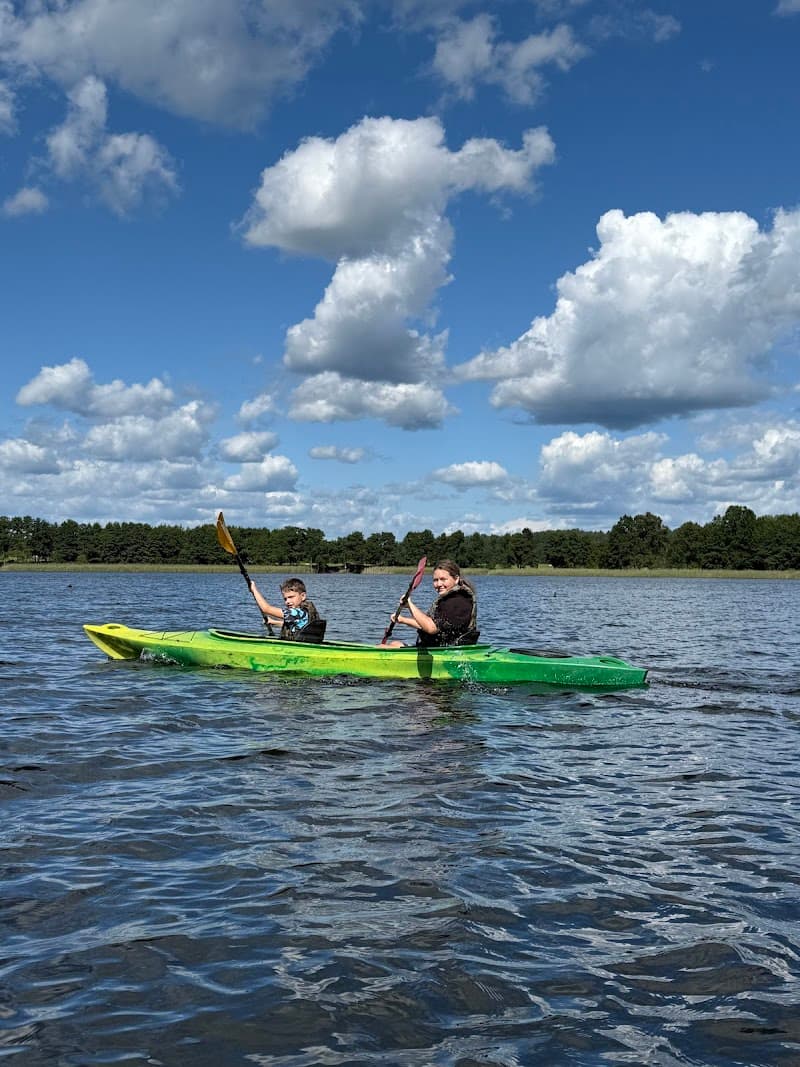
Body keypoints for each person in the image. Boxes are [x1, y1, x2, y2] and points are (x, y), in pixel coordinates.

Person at [390, 559, 479, 647]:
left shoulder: (458, 601)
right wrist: (403, 620)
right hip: (439, 648)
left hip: (450, 652)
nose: (439, 584)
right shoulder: (449, 599)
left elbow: (431, 628)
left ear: (456, 579)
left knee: (386, 647)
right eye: (435, 580)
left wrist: (410, 605)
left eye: (443, 579)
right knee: (395, 644)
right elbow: (428, 624)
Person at [248, 577, 326, 643]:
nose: (287, 602)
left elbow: (266, 609)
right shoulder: (304, 612)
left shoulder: (296, 613)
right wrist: (274, 622)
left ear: (303, 596)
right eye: (285, 599)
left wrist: (254, 590)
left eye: (291, 597)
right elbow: (296, 626)